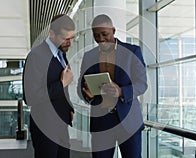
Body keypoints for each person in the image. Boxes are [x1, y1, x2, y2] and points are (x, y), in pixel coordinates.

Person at [78, 14, 147, 158]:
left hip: (129, 122)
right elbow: (80, 87)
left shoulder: (133, 52)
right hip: (101, 122)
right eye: (96, 36)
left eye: (105, 34)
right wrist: (87, 95)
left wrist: (121, 91)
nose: (101, 39)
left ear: (113, 30)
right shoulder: (89, 56)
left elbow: (142, 84)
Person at [23, 14, 75, 158]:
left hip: (61, 124)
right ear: (52, 34)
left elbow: (63, 92)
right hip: (44, 126)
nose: (70, 43)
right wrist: (62, 83)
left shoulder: (61, 54)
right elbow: (30, 97)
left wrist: (68, 107)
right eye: (65, 38)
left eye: (72, 38)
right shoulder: (36, 56)